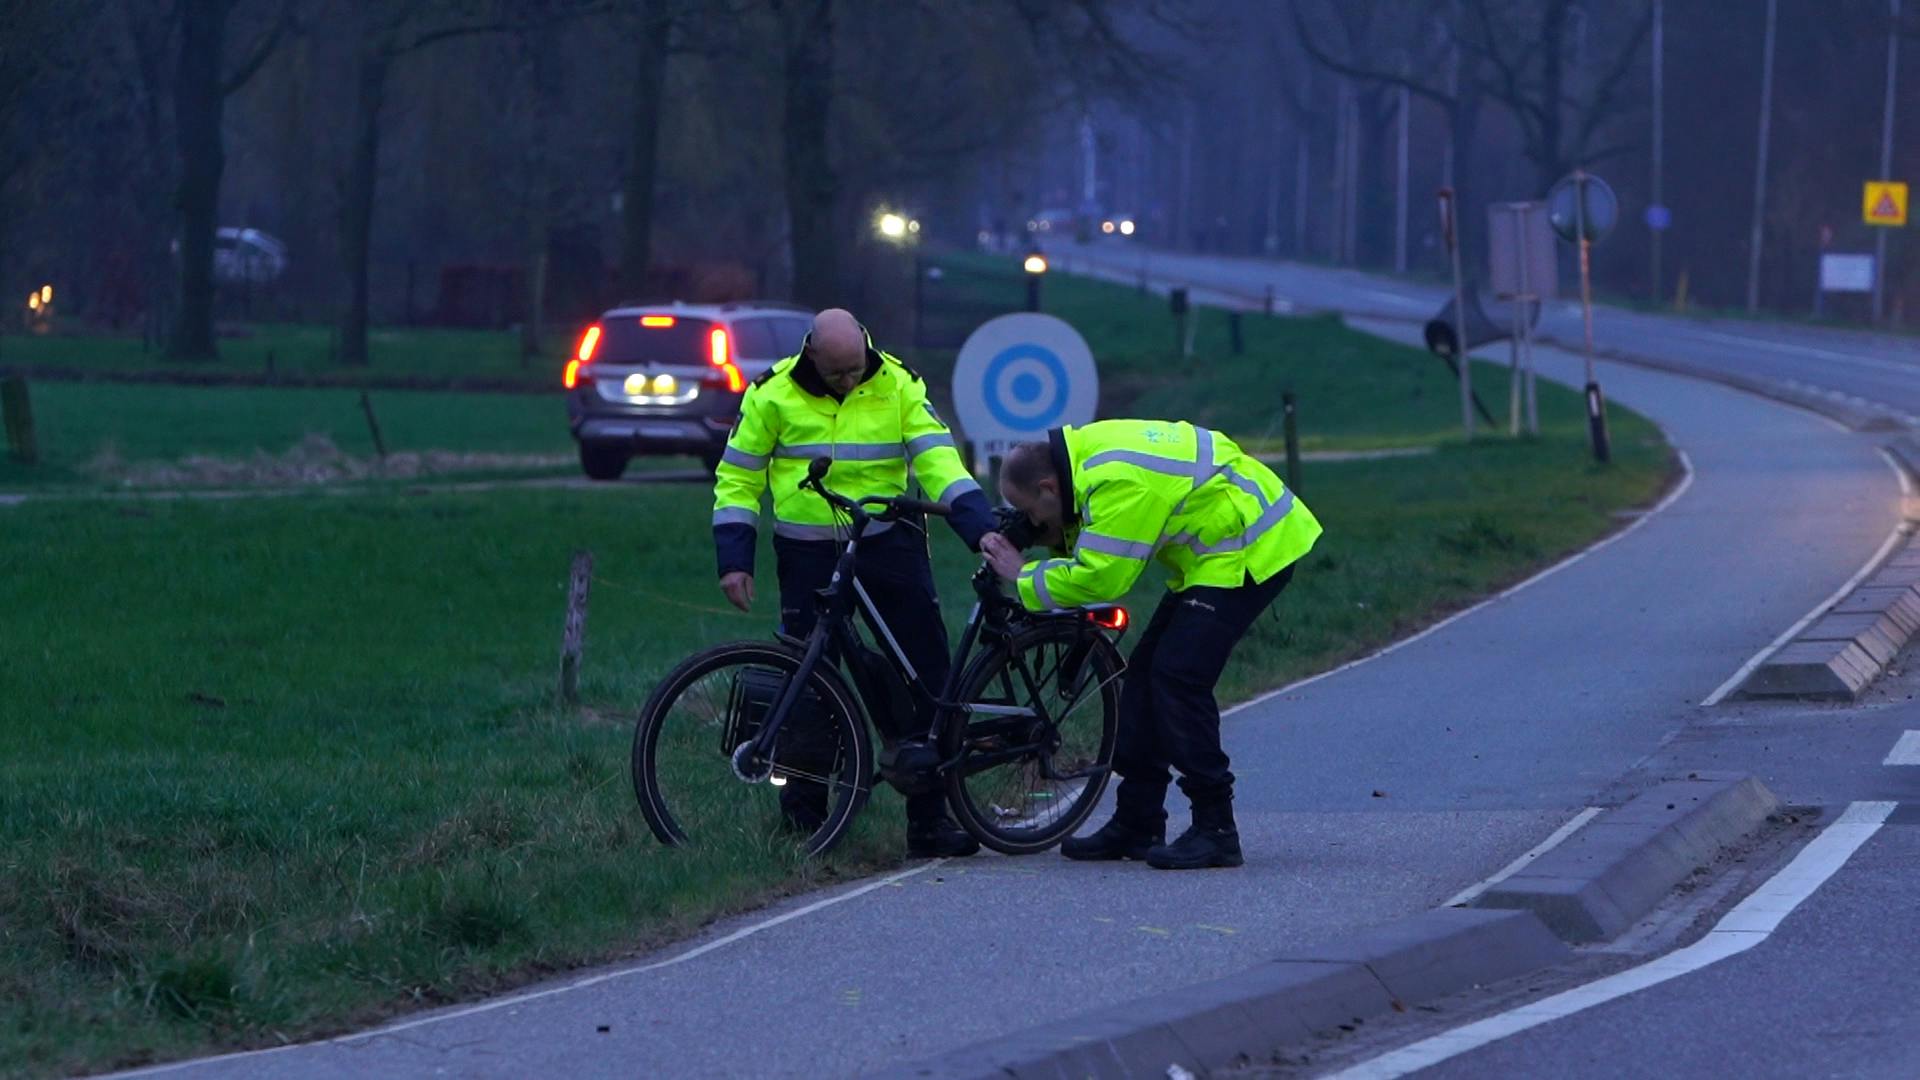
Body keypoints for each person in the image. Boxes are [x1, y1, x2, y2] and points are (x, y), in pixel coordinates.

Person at [713, 308, 995, 858]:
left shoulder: (899, 383)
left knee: (925, 671)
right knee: (807, 680)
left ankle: (930, 818)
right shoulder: (770, 394)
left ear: (866, 347)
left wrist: (978, 526)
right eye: (836, 373)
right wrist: (734, 558)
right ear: (811, 356)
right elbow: (738, 478)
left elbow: (938, 461)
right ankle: (805, 817)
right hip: (807, 552)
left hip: (888, 543)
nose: (848, 381)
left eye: (855, 369)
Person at [980, 419, 1322, 869]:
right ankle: (1138, 821)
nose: (1032, 521)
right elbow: (1097, 536)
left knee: (1178, 677)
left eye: (1031, 511)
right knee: (1142, 677)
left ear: (1048, 485)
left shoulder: (1117, 482)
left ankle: (1216, 827)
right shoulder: (1083, 460)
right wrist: (1050, 535)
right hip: (1212, 552)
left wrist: (1021, 574)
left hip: (1251, 546)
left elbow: (1102, 578)